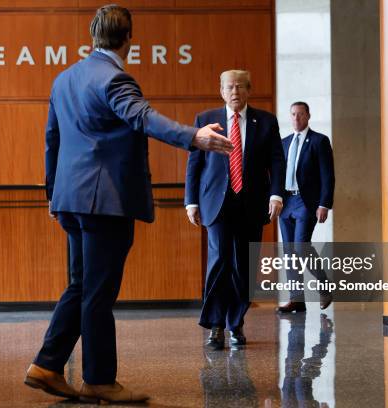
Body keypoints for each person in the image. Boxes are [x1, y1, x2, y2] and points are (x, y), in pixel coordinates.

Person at [24, 4, 233, 404]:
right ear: (128, 39)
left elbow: (52, 139)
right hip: (106, 201)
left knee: (82, 285)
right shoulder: (115, 78)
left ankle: (47, 366)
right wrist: (195, 137)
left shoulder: (65, 78)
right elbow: (143, 117)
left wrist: (54, 194)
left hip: (70, 199)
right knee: (98, 292)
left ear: (93, 36)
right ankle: (100, 380)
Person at [185, 70, 286, 349]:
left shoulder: (265, 122)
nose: (235, 92)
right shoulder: (206, 120)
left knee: (244, 265)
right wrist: (191, 201)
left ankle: (236, 322)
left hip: (252, 202)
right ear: (221, 91)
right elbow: (195, 164)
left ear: (249, 90)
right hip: (216, 201)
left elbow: (276, 161)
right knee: (219, 261)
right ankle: (216, 326)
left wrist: (276, 194)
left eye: (240, 87)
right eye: (229, 87)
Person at [276, 102, 335, 314]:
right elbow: (276, 174)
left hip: (306, 201)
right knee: (290, 252)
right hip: (286, 202)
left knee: (301, 247)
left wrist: (324, 204)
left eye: (300, 114)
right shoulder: (284, 143)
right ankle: (297, 299)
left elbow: (328, 175)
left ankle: (324, 285)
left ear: (308, 116)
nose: (296, 118)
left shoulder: (319, 141)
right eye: (293, 114)